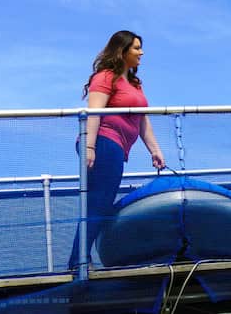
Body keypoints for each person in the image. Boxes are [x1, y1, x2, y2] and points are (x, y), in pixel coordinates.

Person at [69, 31, 166, 270]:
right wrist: (90, 146)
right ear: (122, 51)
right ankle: (79, 261)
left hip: (116, 147)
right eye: (136, 48)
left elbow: (143, 121)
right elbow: (93, 113)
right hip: (103, 141)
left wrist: (155, 150)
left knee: (99, 202)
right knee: (99, 202)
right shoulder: (105, 77)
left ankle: (80, 258)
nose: (141, 53)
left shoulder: (135, 84)